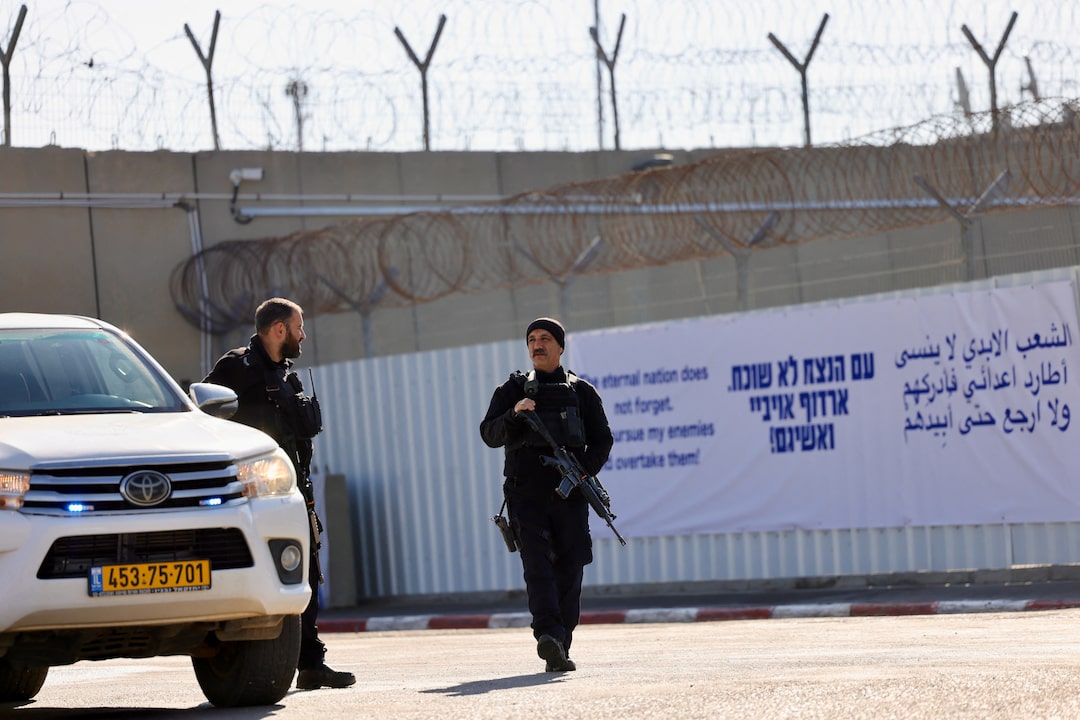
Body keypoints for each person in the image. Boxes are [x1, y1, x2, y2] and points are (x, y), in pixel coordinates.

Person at [203, 297, 356, 691]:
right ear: (279, 329)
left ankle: (311, 663)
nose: (303, 335)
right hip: (249, 495)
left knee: (307, 573)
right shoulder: (236, 367)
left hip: (293, 490)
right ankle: (242, 659)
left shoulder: (288, 376)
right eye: (299, 327)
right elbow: (204, 419)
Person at [479, 317, 614, 672]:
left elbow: (602, 439)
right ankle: (548, 635)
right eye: (532, 340)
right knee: (537, 566)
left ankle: (560, 644)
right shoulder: (512, 390)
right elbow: (489, 434)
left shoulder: (581, 392)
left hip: (570, 493)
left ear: (560, 347)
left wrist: (582, 471)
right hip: (526, 493)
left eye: (545, 339)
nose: (537, 345)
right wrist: (514, 414)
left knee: (571, 567)